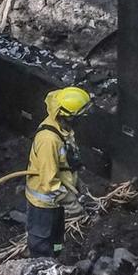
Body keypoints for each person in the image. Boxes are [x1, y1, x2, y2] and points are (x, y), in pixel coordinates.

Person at [25, 87, 92, 258]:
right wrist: (73, 204)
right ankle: (41, 266)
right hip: (44, 204)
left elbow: (66, 162)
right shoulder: (48, 140)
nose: (84, 119)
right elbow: (49, 183)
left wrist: (77, 183)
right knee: (42, 241)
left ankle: (55, 257)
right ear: (67, 115)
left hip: (57, 202)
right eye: (81, 115)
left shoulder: (64, 130)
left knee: (56, 240)